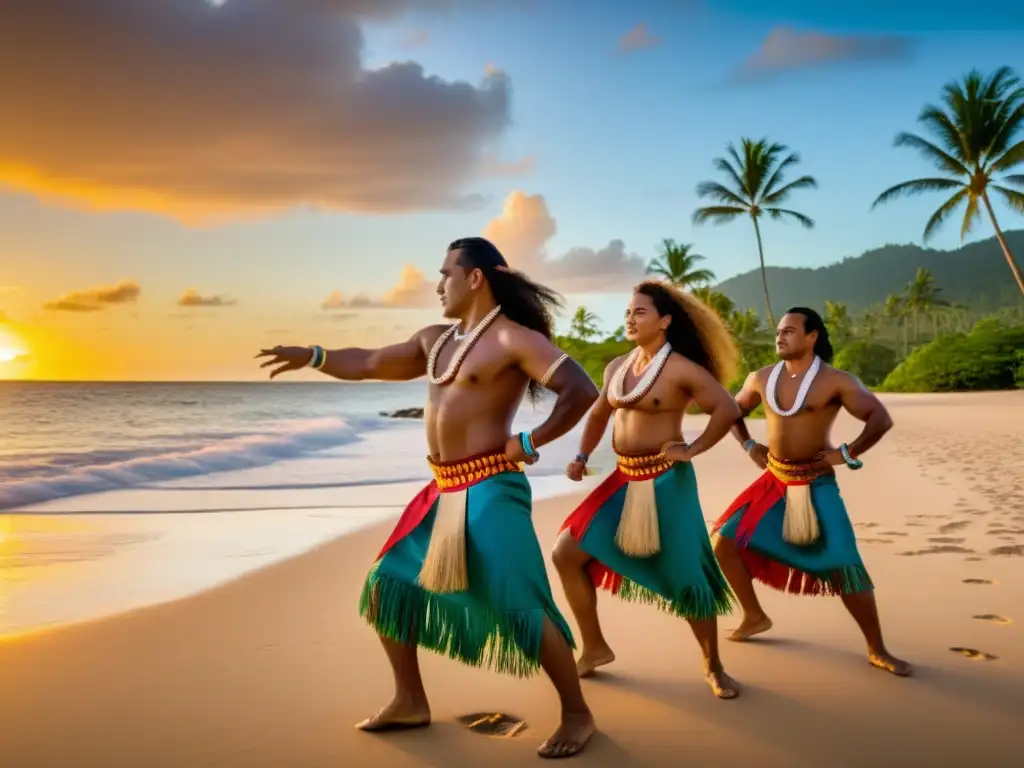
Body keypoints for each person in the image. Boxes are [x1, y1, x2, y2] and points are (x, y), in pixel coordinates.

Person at [256, 237, 601, 758]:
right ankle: (409, 700)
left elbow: (580, 389)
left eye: (446, 274)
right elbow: (371, 361)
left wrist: (531, 441)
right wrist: (314, 355)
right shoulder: (434, 341)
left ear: (475, 278)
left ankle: (577, 713)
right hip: (441, 489)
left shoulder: (512, 339)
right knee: (385, 585)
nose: (439, 285)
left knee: (522, 601)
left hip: (490, 486)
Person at [553, 280, 742, 699]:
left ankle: (713, 665)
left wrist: (692, 449)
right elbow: (600, 412)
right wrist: (583, 456)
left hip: (665, 481)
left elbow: (725, 408)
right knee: (566, 552)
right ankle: (595, 647)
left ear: (665, 321)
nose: (630, 319)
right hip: (622, 478)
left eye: (640, 312)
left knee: (688, 578)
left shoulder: (682, 370)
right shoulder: (617, 367)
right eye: (628, 312)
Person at [711, 307, 911, 677]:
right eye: (778, 331)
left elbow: (879, 419)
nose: (780, 336)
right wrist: (748, 445)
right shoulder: (761, 378)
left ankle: (876, 648)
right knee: (724, 543)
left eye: (789, 331)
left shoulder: (836, 381)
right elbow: (730, 412)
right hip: (774, 481)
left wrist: (845, 454)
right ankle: (754, 616)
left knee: (845, 567)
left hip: (816, 483)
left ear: (812, 336)